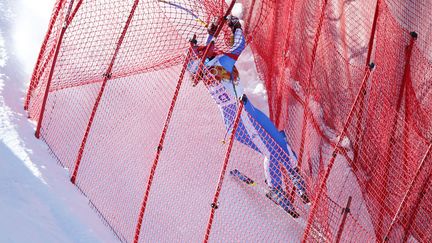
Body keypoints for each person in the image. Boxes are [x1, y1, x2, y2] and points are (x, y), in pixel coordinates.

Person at [188, 15, 309, 218]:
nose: (206, 47)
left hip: (247, 109)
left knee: (278, 137)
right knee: (270, 151)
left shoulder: (210, 65)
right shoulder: (220, 63)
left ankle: (293, 172)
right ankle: (275, 189)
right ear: (204, 57)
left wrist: (210, 35)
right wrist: (235, 27)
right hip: (239, 120)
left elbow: (205, 55)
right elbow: (238, 45)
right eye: (202, 49)